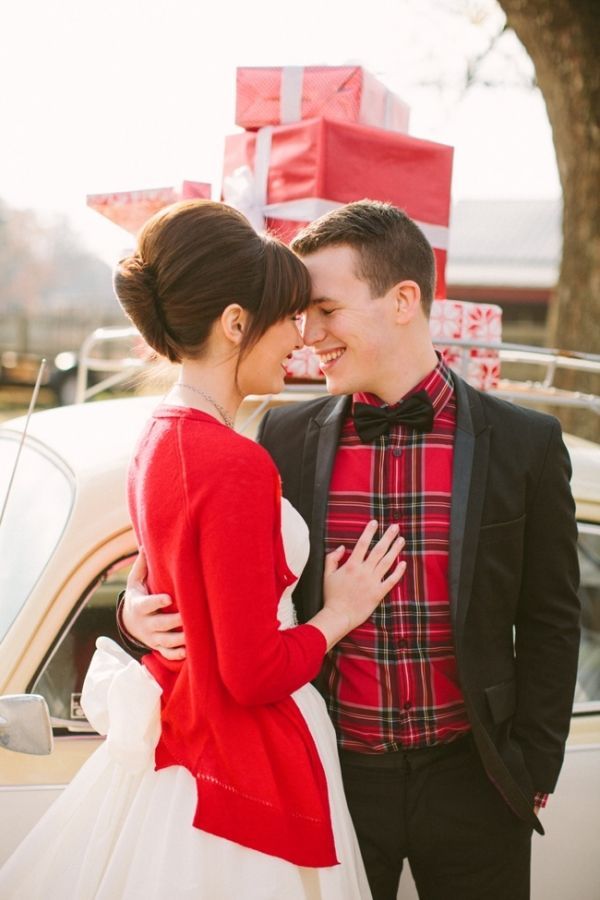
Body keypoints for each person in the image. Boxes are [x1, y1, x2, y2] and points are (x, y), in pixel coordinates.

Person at [122, 200, 581, 900]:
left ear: (402, 301)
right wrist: (134, 605)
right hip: (334, 778)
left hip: (475, 784)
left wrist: (531, 770)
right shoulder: (278, 437)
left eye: (326, 310)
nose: (307, 335)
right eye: (300, 315)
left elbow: (551, 618)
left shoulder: (525, 444)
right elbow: (196, 550)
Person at [0, 199, 413, 900]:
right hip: (243, 758)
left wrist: (135, 604)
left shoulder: (158, 435)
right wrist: (339, 613)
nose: (300, 334)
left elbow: (177, 565)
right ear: (233, 323)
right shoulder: (234, 462)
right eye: (287, 315)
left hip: (182, 745)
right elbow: (250, 674)